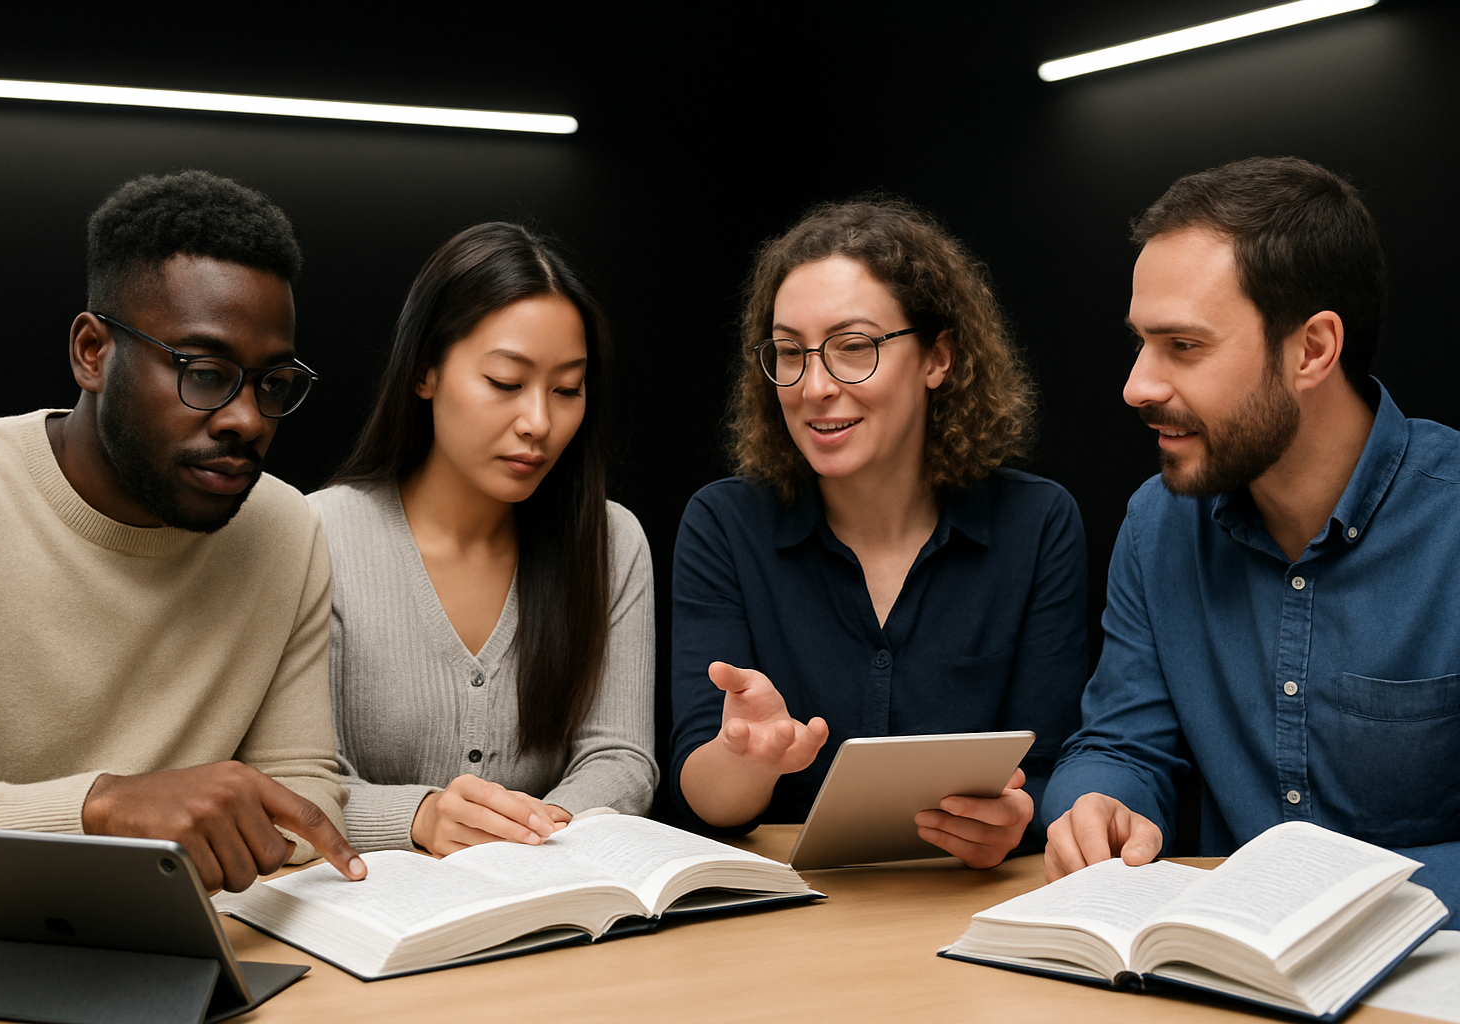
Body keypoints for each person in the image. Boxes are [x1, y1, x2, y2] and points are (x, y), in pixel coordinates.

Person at [1043, 157, 1460, 918]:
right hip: (1215, 967)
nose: (1137, 386)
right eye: (1140, 342)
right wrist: (1096, 802)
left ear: (1313, 349)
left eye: (1183, 345)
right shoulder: (1157, 523)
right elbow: (1121, 743)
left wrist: (1319, 899)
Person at [0, 170, 363, 892]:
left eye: (272, 383)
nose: (247, 419)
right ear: (92, 352)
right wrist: (99, 811)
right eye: (204, 371)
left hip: (199, 935)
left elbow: (302, 795)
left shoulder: (284, 527)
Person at [670, 200, 1087, 868]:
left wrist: (1017, 818)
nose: (814, 386)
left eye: (853, 348)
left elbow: (1052, 768)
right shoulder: (723, 525)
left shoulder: (1037, 523)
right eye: (789, 353)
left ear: (937, 357)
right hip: (786, 908)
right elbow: (703, 797)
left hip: (967, 901)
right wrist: (748, 756)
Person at [309, 222, 655, 857]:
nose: (539, 422)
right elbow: (296, 782)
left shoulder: (611, 543)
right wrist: (420, 818)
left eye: (567, 390)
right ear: (425, 371)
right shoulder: (318, 537)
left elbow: (620, 757)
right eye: (504, 382)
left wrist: (537, 832)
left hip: (548, 894)